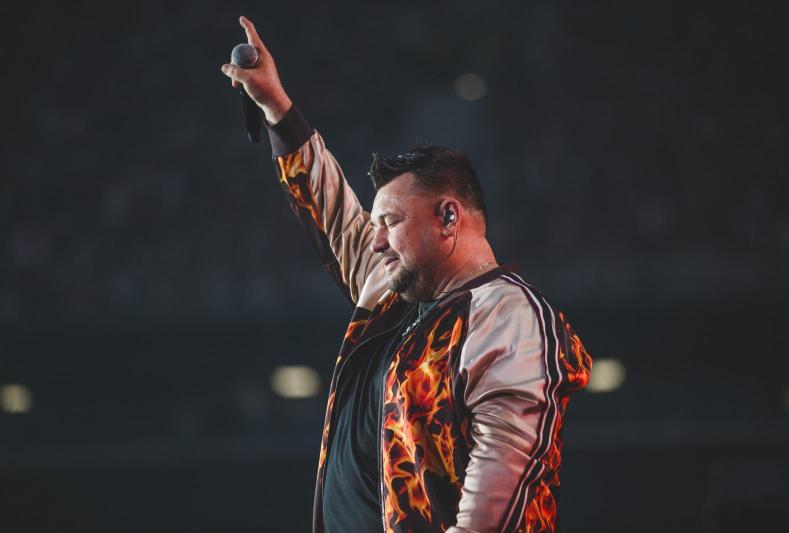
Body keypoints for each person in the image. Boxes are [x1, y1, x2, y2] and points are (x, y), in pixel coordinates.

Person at [221, 16, 593, 533]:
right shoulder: (395, 300)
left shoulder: (506, 316)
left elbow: (499, 498)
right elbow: (334, 216)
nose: (375, 240)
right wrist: (277, 108)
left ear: (448, 217)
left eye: (390, 223)